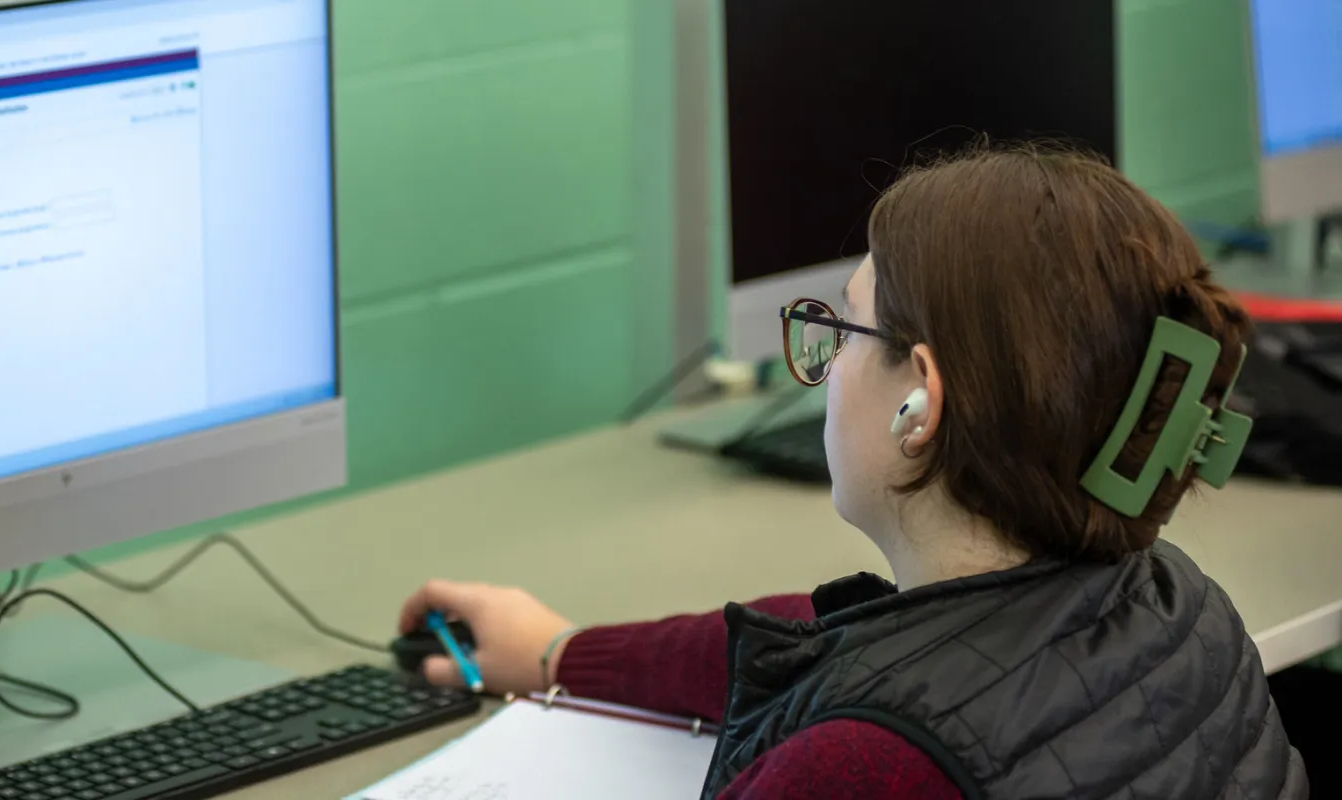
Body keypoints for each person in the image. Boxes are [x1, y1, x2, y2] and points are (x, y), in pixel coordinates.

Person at [396, 145, 1307, 799]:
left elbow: (875, 702)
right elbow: (827, 645)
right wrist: (560, 651)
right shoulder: (1178, 607)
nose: (826, 368)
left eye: (845, 329)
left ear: (923, 402)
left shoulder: (869, 767)